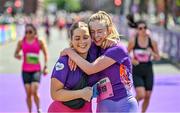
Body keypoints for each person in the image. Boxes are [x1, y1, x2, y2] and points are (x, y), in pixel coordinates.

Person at [61, 11, 138, 113]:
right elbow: (79, 45)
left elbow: (91, 69)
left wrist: (70, 52)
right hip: (103, 105)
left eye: (100, 31)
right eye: (92, 32)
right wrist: (72, 51)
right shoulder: (93, 48)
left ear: (108, 30)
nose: (96, 35)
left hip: (124, 103)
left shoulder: (118, 49)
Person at [48, 21, 94, 112]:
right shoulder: (64, 61)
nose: (82, 41)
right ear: (71, 41)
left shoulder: (96, 58)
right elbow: (54, 94)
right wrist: (81, 93)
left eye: (85, 37)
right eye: (77, 38)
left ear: (91, 39)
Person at [14, 23, 48, 113]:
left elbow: (45, 54)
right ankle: (29, 111)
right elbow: (15, 53)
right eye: (26, 32)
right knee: (28, 93)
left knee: (34, 90)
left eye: (30, 32)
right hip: (25, 70)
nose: (28, 34)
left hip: (36, 69)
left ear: (34, 32)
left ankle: (38, 109)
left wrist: (45, 66)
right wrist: (18, 56)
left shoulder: (39, 41)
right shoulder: (21, 42)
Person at [127, 20, 160, 113]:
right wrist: (132, 60)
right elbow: (125, 54)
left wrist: (152, 52)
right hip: (137, 69)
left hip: (148, 69)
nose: (143, 30)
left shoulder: (152, 42)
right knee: (141, 94)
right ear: (137, 30)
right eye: (140, 28)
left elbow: (158, 57)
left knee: (148, 95)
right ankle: (130, 108)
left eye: (145, 28)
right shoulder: (133, 41)